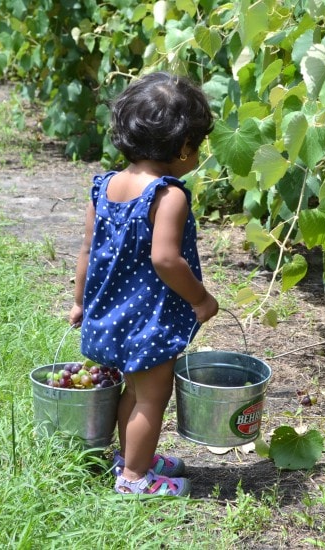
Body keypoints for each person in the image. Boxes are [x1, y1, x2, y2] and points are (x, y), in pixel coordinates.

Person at [69, 71, 219, 497]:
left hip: (110, 316)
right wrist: (201, 299)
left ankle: (131, 457)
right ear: (185, 146)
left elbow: (85, 250)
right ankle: (134, 479)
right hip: (147, 322)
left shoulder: (106, 186)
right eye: (198, 146)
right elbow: (165, 259)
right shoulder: (167, 196)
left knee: (132, 392)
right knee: (152, 398)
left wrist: (80, 303)